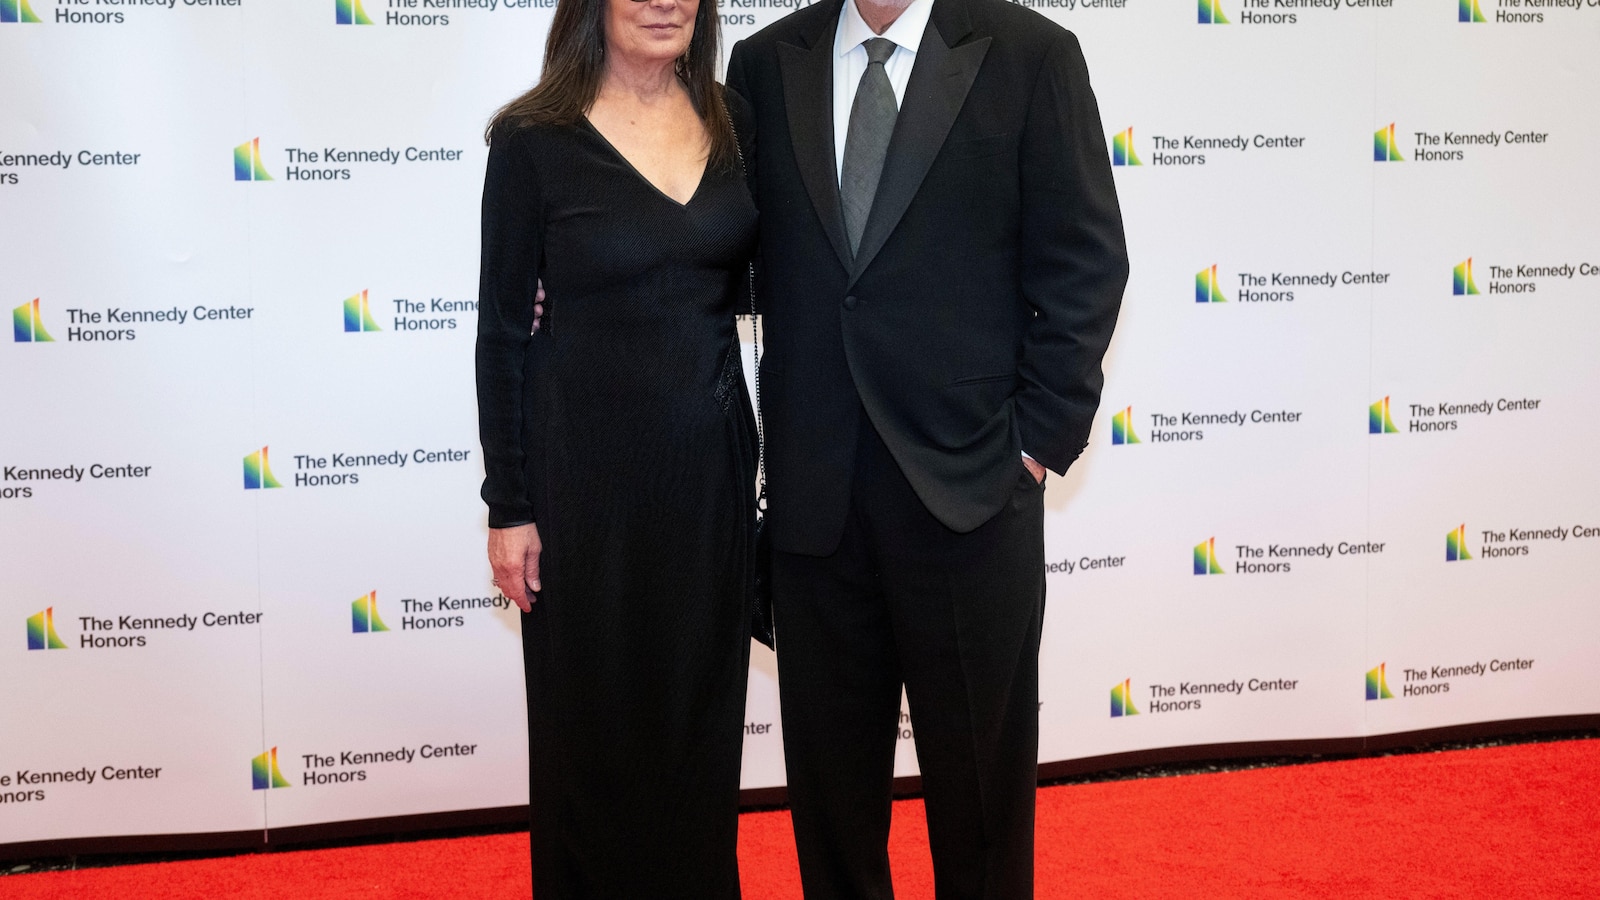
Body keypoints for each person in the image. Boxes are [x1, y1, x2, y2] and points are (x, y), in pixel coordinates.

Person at [726, 0, 1128, 893]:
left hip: (970, 494)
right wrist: (588, 277)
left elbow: (1087, 261)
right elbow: (729, 251)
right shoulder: (764, 63)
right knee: (831, 810)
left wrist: (1033, 445)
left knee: (981, 807)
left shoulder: (1030, 55)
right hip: (815, 501)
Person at [473, 0, 758, 891]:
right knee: (589, 728)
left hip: (709, 477)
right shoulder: (533, 139)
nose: (664, 2)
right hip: (580, 487)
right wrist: (509, 506)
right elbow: (501, 334)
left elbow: (761, 275)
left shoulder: (733, 120)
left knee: (699, 720)